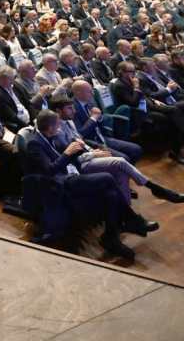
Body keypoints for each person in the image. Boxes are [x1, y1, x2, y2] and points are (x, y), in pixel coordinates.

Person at [25, 110, 144, 261]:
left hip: (71, 175)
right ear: (50, 127)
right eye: (57, 125)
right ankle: (131, 218)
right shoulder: (34, 143)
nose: (60, 128)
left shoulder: (52, 137)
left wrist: (79, 150)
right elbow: (50, 170)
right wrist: (67, 154)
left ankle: (111, 238)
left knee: (111, 195)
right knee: (107, 177)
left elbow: (70, 157)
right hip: (58, 183)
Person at [51, 96, 184, 205]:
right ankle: (155, 188)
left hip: (92, 149)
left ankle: (127, 213)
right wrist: (93, 153)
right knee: (121, 161)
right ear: (58, 111)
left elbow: (79, 140)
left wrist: (96, 148)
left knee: (122, 172)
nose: (73, 111)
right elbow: (70, 155)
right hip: (80, 163)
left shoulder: (68, 121)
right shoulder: (56, 130)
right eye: (69, 109)